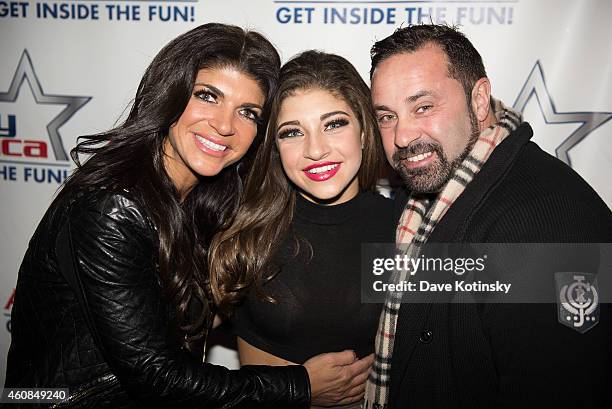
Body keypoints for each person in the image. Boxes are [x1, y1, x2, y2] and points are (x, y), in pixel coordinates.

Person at [4, 24, 372, 409]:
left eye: (247, 112)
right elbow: (155, 375)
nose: (225, 126)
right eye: (207, 96)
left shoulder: (211, 202)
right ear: (170, 93)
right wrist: (301, 386)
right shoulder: (111, 207)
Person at [364, 24, 612, 409]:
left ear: (479, 100)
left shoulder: (544, 223)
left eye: (423, 107)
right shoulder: (434, 197)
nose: (402, 136)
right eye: (387, 116)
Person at [209, 50, 394, 408]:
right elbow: (158, 359)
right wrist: (296, 387)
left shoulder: (407, 227)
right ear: (275, 148)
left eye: (334, 124)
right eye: (292, 132)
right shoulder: (242, 228)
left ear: (363, 129)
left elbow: (517, 288)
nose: (315, 150)